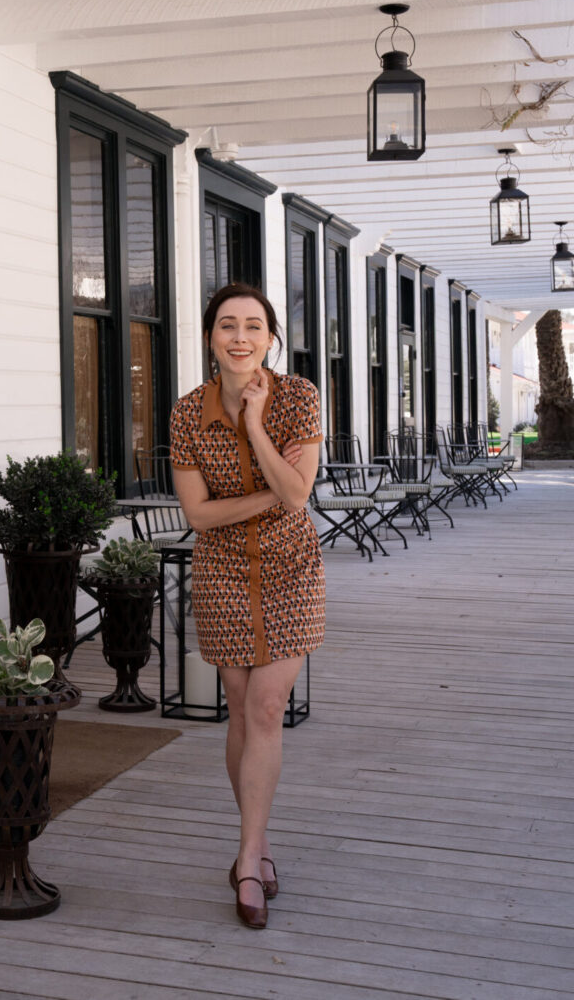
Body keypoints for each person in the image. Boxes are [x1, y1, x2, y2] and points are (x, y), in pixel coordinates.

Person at [170, 282, 323, 929]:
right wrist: (276, 497)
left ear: (269, 338)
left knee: (265, 707)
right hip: (224, 574)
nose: (240, 338)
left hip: (291, 571)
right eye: (227, 326)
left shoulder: (299, 398)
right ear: (210, 337)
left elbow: (300, 490)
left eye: (253, 327)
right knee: (239, 710)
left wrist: (257, 425)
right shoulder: (186, 414)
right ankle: (256, 848)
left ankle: (247, 855)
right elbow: (199, 515)